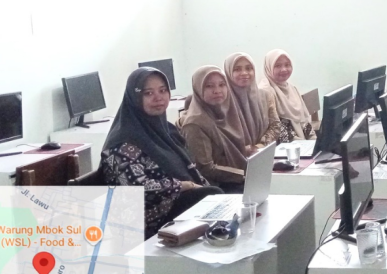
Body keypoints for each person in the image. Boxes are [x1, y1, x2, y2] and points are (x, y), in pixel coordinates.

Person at [101, 67, 223, 239]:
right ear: (135, 98)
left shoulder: (167, 130)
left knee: (217, 199)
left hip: (172, 205)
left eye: (163, 90)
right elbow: (137, 188)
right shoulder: (122, 142)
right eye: (148, 93)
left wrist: (203, 187)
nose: (158, 97)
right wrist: (184, 185)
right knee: (213, 197)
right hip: (145, 221)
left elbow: (190, 167)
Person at [179, 65, 252, 193]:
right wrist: (244, 174)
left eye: (222, 85)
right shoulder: (195, 124)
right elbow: (205, 168)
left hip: (239, 180)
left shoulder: (227, 114)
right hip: (219, 188)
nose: (217, 91)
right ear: (198, 89)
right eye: (209, 86)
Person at [224, 53, 282, 152]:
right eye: (237, 69)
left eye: (248, 68)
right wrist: (244, 151)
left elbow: (275, 125)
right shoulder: (223, 102)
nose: (244, 73)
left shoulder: (265, 96)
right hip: (236, 157)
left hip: (263, 152)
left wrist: (259, 146)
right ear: (228, 72)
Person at [258, 49, 316, 142]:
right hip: (283, 146)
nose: (284, 69)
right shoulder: (265, 92)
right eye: (277, 66)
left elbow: (304, 122)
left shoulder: (292, 88)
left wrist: (314, 141)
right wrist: (305, 144)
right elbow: (277, 131)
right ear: (268, 67)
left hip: (301, 143)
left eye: (287, 65)